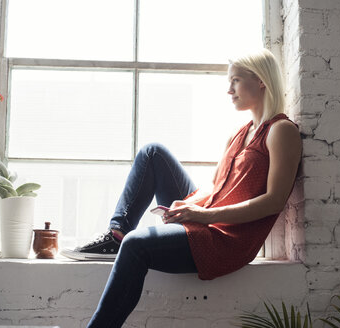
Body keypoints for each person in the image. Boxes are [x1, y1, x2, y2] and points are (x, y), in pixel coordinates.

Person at [61, 48, 302, 328]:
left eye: (235, 80)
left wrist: (202, 215)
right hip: (208, 214)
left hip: (224, 238)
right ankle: (117, 232)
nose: (229, 90)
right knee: (153, 153)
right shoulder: (240, 133)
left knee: (136, 245)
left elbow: (274, 201)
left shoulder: (281, 131)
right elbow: (215, 186)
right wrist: (186, 206)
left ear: (261, 80)